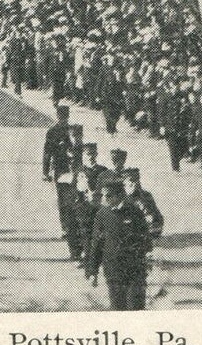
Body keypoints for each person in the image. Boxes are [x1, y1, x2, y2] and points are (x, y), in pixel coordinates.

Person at [83, 177, 153, 311]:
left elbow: (145, 239)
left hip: (135, 270)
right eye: (103, 195)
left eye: (108, 196)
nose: (104, 199)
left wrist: (147, 258)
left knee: (136, 309)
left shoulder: (135, 212)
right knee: (117, 310)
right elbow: (96, 244)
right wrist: (93, 271)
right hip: (113, 270)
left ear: (119, 195)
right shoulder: (101, 215)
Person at [42, 104, 81, 260]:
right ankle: (65, 226)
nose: (64, 119)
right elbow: (47, 152)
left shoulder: (74, 130)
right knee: (63, 199)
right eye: (61, 116)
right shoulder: (52, 132)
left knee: (75, 197)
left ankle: (73, 226)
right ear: (58, 116)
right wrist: (45, 171)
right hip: (60, 169)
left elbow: (79, 149)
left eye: (65, 116)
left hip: (74, 169)